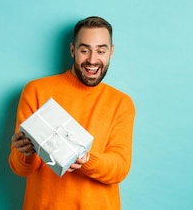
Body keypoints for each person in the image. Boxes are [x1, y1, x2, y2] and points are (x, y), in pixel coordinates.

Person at [9, 16, 136, 209]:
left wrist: (86, 160)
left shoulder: (121, 103)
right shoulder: (36, 91)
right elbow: (21, 169)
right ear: (72, 50)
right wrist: (24, 153)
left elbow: (119, 168)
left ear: (111, 52)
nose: (92, 60)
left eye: (101, 51)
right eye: (85, 50)